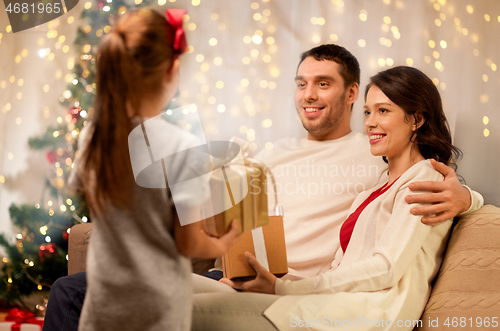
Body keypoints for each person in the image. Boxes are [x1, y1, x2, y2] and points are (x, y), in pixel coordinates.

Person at [43, 44, 481, 330]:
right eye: (302, 84)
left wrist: (466, 197)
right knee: (75, 289)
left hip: (297, 288)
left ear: (349, 93)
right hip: (238, 273)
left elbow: (423, 192)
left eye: (323, 84)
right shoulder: (272, 152)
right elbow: (218, 206)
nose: (309, 94)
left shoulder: (370, 155)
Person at [191, 66, 482, 331]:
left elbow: (386, 268)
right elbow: (338, 271)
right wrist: (275, 282)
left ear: (416, 119)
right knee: (167, 287)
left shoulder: (425, 180)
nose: (370, 123)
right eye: (367, 112)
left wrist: (469, 198)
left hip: (362, 317)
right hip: (326, 305)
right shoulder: (374, 190)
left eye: (383, 111)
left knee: (186, 309)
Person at [43, 9, 239, 331]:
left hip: (103, 301)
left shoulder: (95, 135)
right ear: (171, 69)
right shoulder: (182, 146)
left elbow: (87, 194)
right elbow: (189, 243)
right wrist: (221, 244)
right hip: (156, 307)